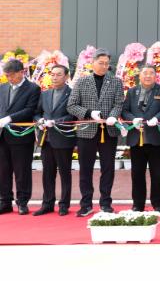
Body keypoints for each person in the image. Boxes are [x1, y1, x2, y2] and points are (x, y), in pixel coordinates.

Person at [67, 49, 124, 217]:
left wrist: (113, 116)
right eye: (101, 63)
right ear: (92, 63)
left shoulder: (116, 82)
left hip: (108, 131)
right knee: (85, 169)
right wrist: (89, 113)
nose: (104, 66)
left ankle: (106, 203)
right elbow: (71, 105)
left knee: (108, 168)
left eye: (107, 63)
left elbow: (119, 103)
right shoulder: (81, 81)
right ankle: (86, 204)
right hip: (86, 131)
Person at [121, 65, 160, 213]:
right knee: (137, 174)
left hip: (156, 139)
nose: (148, 76)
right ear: (140, 75)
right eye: (145, 73)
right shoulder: (132, 91)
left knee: (157, 174)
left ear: (155, 76)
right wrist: (133, 119)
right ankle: (138, 204)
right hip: (136, 139)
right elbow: (125, 110)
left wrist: (157, 118)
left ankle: (157, 204)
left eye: (151, 73)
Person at [32, 64, 76, 216]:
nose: (54, 77)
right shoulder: (45, 94)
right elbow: (37, 112)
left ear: (66, 76)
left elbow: (73, 115)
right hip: (46, 138)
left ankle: (64, 204)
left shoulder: (72, 93)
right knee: (47, 173)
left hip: (63, 138)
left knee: (64, 173)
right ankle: (47, 204)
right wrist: (39, 120)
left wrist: (57, 122)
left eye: (58, 74)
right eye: (52, 74)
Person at [0, 58, 41, 215]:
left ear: (21, 72)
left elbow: (30, 109)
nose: (9, 78)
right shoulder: (2, 88)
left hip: (21, 136)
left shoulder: (33, 89)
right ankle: (5, 201)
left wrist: (9, 118)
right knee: (3, 171)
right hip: (3, 136)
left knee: (22, 171)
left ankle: (22, 202)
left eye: (11, 75)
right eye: (7, 75)